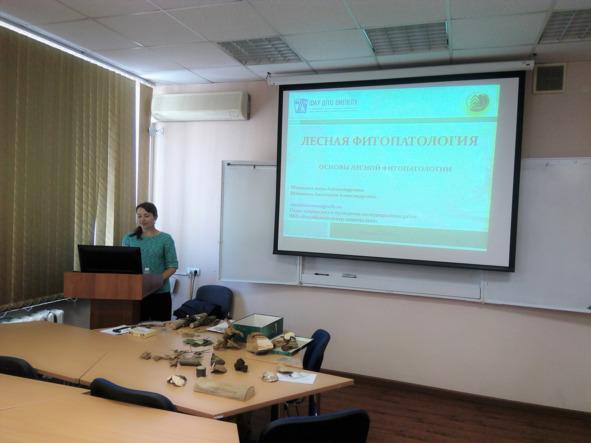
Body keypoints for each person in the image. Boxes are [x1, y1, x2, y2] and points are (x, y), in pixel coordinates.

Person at [122, 202, 178, 321]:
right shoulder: (129, 238)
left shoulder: (165, 239)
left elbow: (172, 266)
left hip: (160, 293)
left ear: (155, 217)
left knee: (161, 330)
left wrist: (156, 281)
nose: (142, 219)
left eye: (146, 216)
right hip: (136, 292)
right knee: (135, 329)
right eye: (139, 216)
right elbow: (124, 264)